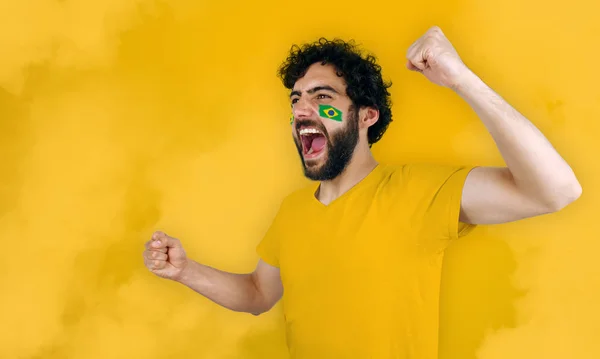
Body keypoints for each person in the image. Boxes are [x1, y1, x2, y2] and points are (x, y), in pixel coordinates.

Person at [142, 26, 581, 359]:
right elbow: (258, 294)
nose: (301, 110)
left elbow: (555, 190)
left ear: (366, 115)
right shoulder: (292, 212)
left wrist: (462, 80)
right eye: (296, 99)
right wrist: (185, 270)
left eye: (322, 96)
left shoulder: (420, 191)